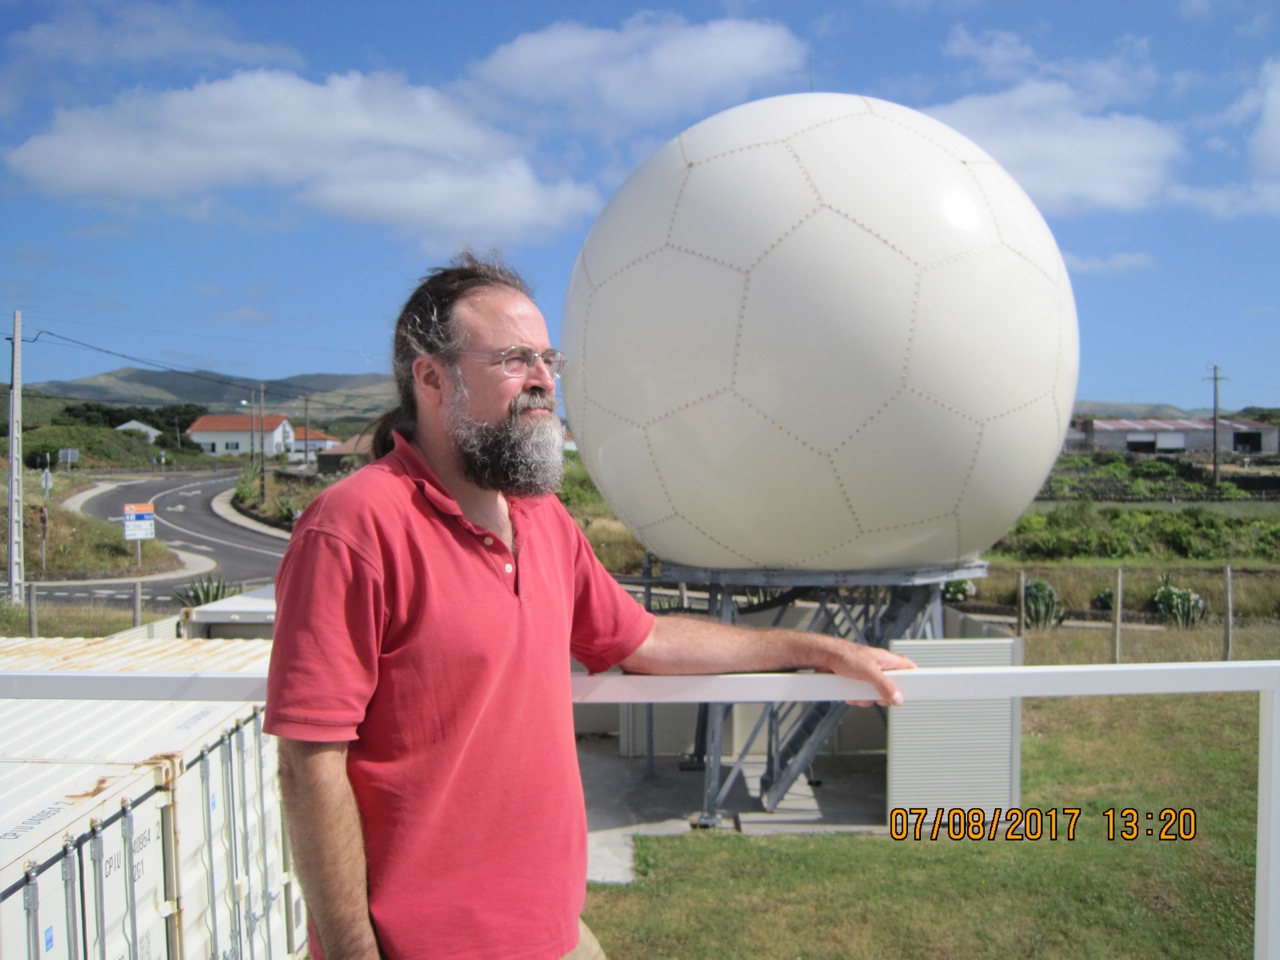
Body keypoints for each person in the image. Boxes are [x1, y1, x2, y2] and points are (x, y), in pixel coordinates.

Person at [264, 252, 915, 960]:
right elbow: (309, 763)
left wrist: (814, 649)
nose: (543, 380)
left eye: (549, 359)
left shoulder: (543, 520)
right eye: (514, 359)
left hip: (553, 936)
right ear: (431, 377)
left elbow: (645, 642)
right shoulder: (353, 527)